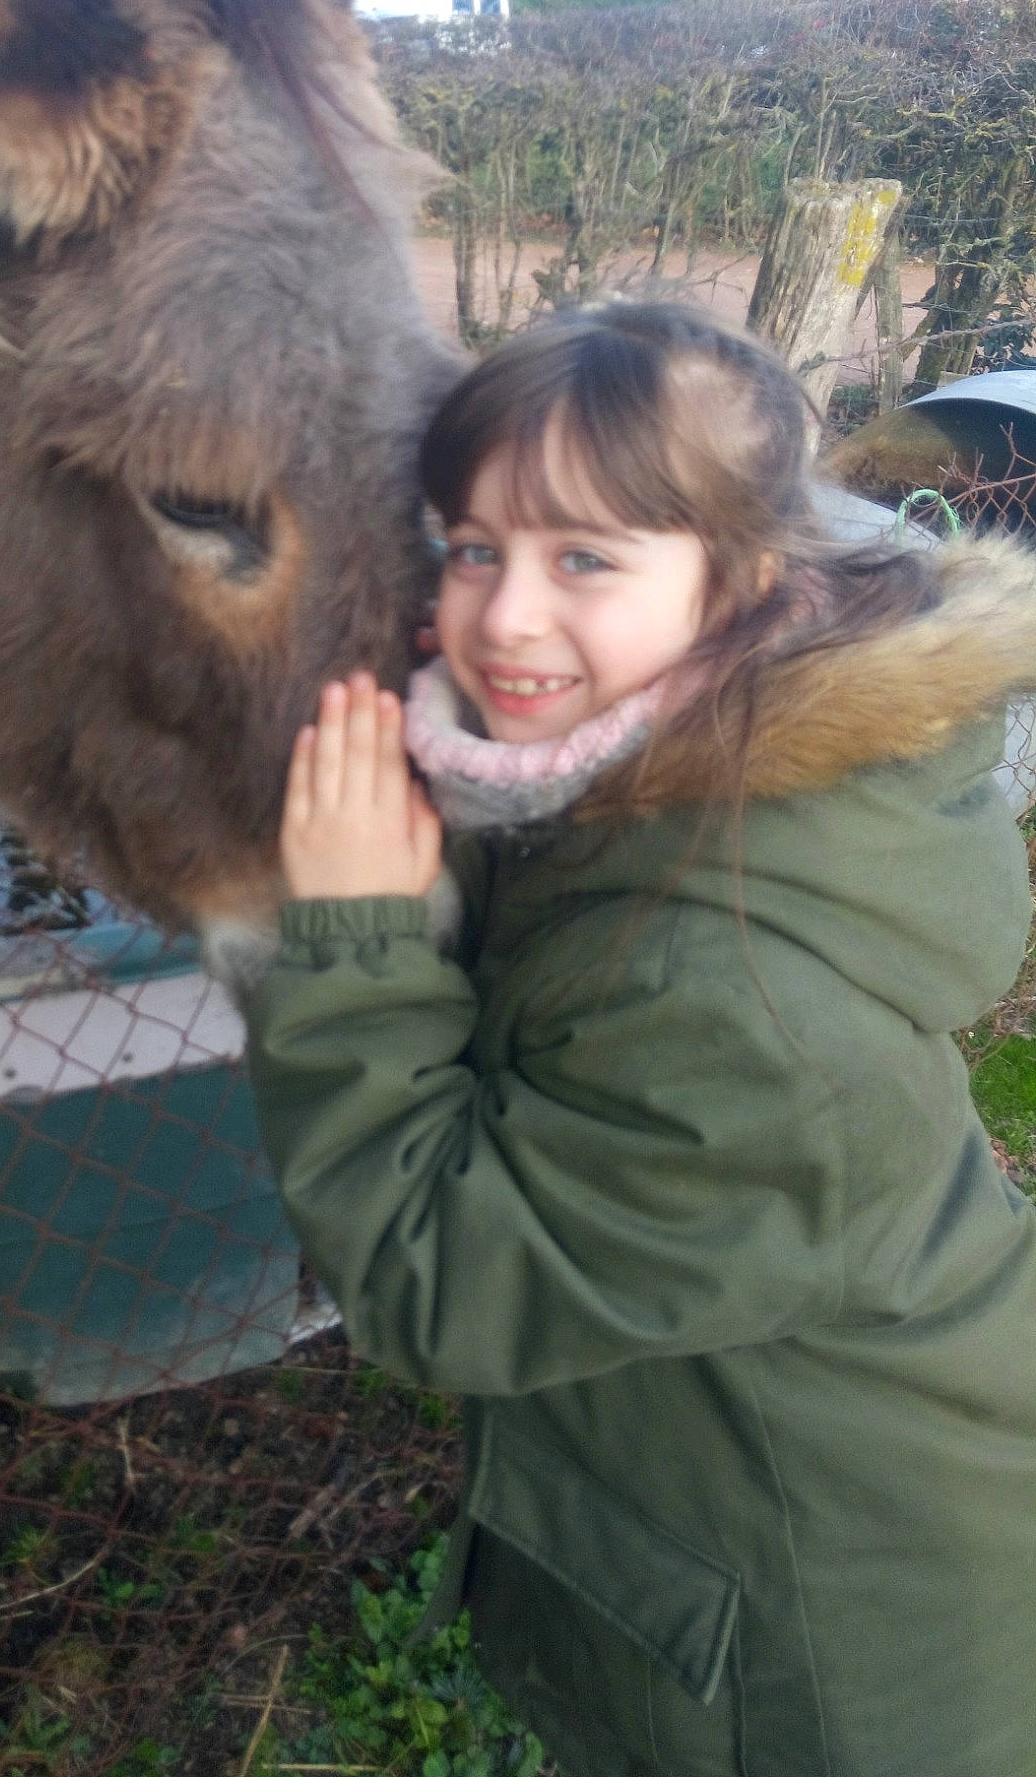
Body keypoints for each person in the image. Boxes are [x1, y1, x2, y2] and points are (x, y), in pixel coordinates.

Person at [244, 301, 1036, 1777]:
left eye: (586, 557)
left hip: (845, 1656)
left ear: (742, 579)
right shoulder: (673, 767)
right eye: (474, 547)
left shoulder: (730, 990)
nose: (504, 614)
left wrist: (354, 937)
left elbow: (448, 1286)